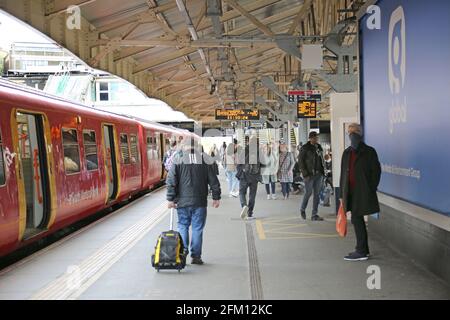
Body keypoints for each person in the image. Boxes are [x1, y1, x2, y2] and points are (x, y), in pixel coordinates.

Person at [166, 139, 221, 265]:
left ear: (183, 147)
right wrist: (216, 197)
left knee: (183, 226)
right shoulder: (204, 161)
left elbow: (171, 181)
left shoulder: (178, 160)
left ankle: (183, 253)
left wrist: (170, 199)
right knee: (197, 228)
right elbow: (213, 180)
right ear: (197, 147)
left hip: (182, 202)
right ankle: (196, 256)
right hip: (200, 201)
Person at [340, 123, 381, 261]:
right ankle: (363, 249)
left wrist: (371, 188)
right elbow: (343, 175)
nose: (351, 134)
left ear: (360, 134)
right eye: (349, 132)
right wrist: (342, 195)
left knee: (357, 218)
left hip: (362, 191)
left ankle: (361, 251)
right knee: (356, 219)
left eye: (354, 132)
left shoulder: (369, 151)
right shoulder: (346, 153)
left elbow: (376, 172)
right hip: (349, 192)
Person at [299, 132, 325, 221]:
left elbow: (322, 160)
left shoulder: (319, 147)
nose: (316, 139)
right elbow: (301, 162)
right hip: (309, 175)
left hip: (319, 174)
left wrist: (323, 172)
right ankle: (302, 209)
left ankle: (314, 215)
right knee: (308, 193)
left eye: (317, 137)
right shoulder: (305, 148)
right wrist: (305, 174)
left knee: (317, 194)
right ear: (310, 138)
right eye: (314, 137)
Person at [236, 136, 261, 220]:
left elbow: (239, 162)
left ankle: (244, 206)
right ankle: (250, 213)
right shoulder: (259, 151)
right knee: (252, 195)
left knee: (242, 192)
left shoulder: (245, 150)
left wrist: (239, 171)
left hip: (245, 175)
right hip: (255, 176)